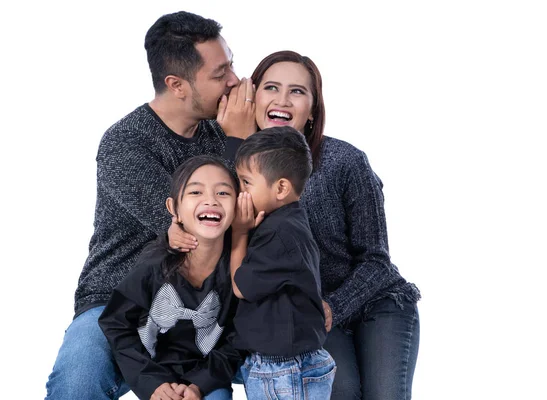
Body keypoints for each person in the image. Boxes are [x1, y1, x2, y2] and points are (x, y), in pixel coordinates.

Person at [171, 50, 421, 400]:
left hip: (372, 302)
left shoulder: (345, 162)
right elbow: (220, 247)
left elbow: (376, 261)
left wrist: (333, 306)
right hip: (304, 312)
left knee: (384, 394)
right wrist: (237, 143)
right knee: (340, 390)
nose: (282, 100)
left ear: (313, 109)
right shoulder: (235, 167)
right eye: (271, 88)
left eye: (298, 91)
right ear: (253, 98)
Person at [45, 11, 255, 399]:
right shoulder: (126, 144)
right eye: (219, 72)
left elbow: (250, 212)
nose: (235, 81)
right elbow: (199, 228)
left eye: (231, 65)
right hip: (118, 300)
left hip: (211, 305)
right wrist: (238, 144)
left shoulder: (224, 130)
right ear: (176, 84)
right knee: (77, 380)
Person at [99, 156, 241, 400]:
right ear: (174, 209)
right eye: (195, 192)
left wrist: (199, 384)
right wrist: (151, 383)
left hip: (207, 375)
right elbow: (116, 324)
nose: (210, 200)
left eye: (223, 193)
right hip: (153, 371)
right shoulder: (153, 265)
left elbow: (238, 340)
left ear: (238, 207)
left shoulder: (239, 272)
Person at [229, 126, 336, 399]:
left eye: (246, 182)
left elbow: (240, 286)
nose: (238, 191)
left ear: (281, 188)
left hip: (283, 369)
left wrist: (240, 233)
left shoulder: (279, 234)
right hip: (289, 364)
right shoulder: (289, 222)